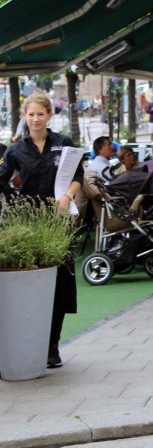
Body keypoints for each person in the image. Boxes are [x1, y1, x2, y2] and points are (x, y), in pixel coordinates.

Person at [0, 92, 83, 369]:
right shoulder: (15, 150)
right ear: (24, 116)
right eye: (30, 114)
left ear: (49, 115)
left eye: (40, 114)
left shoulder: (64, 144)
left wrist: (68, 197)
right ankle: (28, 342)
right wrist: (14, 204)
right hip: (28, 223)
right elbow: (2, 182)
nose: (35, 119)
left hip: (58, 221)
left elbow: (78, 177)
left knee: (59, 283)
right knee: (30, 284)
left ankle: (52, 345)